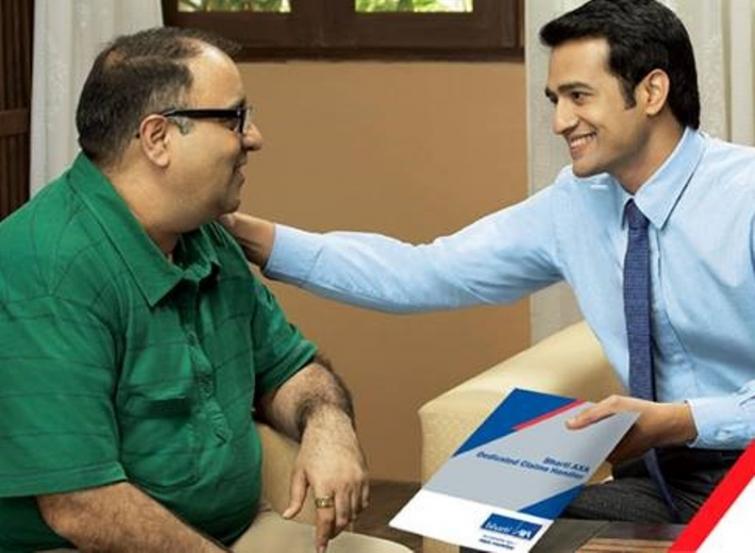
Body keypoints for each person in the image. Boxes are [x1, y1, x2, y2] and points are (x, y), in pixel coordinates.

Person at [220, 0, 755, 525]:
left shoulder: (745, 198)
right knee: (478, 508)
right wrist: (249, 235)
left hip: (743, 465)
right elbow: (422, 272)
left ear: (652, 91)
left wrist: (681, 421)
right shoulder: (575, 203)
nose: (560, 122)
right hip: (663, 476)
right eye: (555, 99)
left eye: (578, 96)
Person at [0, 27, 411, 553]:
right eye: (234, 118)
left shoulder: (202, 234)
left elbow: (289, 368)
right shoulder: (47, 271)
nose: (254, 137)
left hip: (228, 532)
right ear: (158, 138)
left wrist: (328, 425)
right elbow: (81, 506)